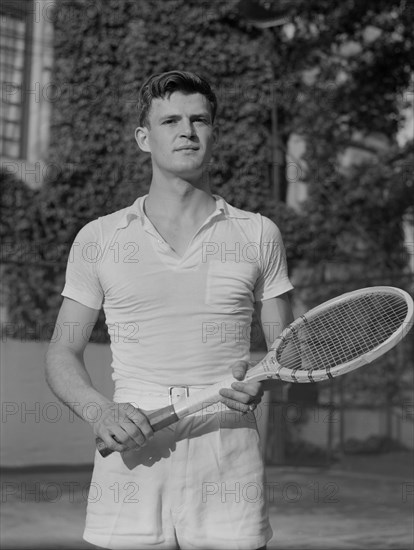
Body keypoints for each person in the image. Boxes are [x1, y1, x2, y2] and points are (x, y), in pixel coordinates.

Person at [46, 70, 294, 550]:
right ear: (144, 138)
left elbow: (283, 348)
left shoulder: (259, 234)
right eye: (171, 121)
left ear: (213, 133)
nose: (187, 130)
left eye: (200, 119)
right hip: (132, 450)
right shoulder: (99, 238)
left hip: (229, 449)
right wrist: (100, 413)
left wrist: (260, 380)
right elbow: (62, 351)